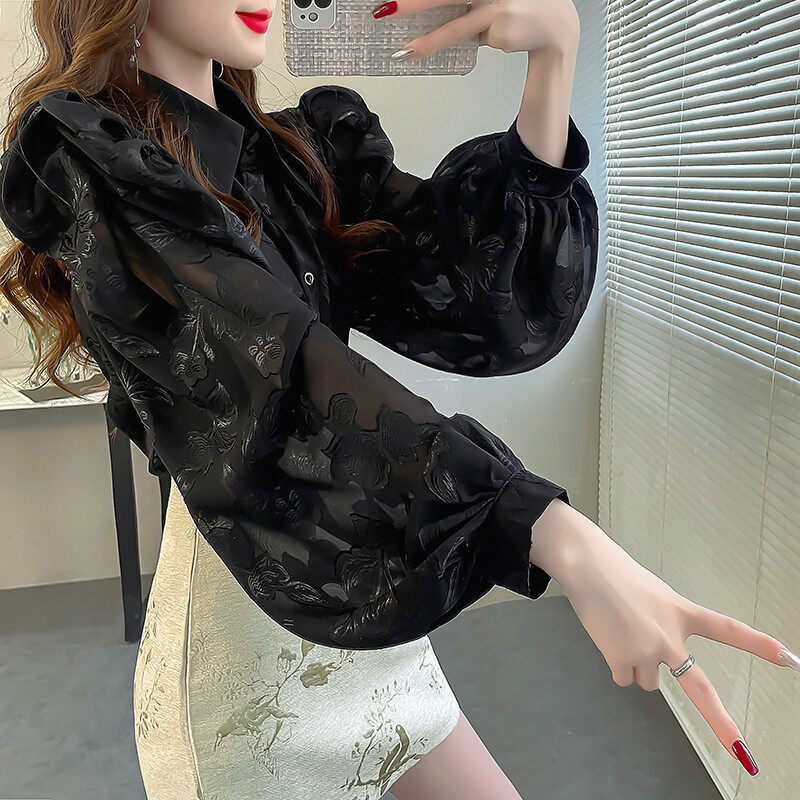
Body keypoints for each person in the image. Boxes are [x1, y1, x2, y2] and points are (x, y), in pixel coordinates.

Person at [0, 1, 796, 798]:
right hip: (246, 680)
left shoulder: (296, 159)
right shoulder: (95, 164)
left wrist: (554, 62)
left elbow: (476, 299)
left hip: (374, 638)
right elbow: (285, 372)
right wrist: (561, 537)